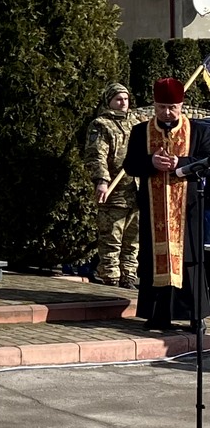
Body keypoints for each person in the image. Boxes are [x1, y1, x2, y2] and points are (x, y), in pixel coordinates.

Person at [123, 76, 210, 331]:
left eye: (172, 107)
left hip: (188, 209)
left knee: (190, 262)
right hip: (154, 211)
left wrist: (179, 164)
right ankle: (158, 316)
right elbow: (130, 165)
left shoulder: (200, 130)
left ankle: (196, 317)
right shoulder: (141, 131)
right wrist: (151, 162)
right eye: (162, 107)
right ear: (154, 105)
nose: (167, 112)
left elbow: (207, 161)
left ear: (182, 105)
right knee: (155, 260)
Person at [84, 83, 140, 288]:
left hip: (136, 190)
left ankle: (129, 276)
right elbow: (96, 155)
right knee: (112, 237)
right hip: (114, 191)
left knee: (133, 240)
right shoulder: (101, 125)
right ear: (109, 101)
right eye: (118, 99)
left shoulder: (136, 122)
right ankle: (110, 276)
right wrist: (102, 181)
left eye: (125, 98)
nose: (123, 102)